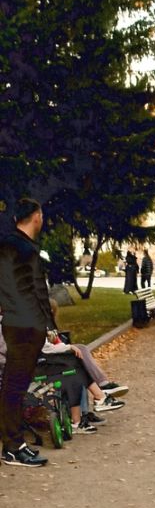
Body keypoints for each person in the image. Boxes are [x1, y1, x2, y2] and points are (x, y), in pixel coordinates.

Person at [0, 198, 55, 466]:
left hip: (15, 323)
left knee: (14, 388)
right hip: (27, 326)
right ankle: (12, 447)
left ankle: (15, 443)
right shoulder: (26, 250)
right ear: (37, 216)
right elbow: (38, 292)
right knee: (14, 389)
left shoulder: (8, 245)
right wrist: (49, 326)